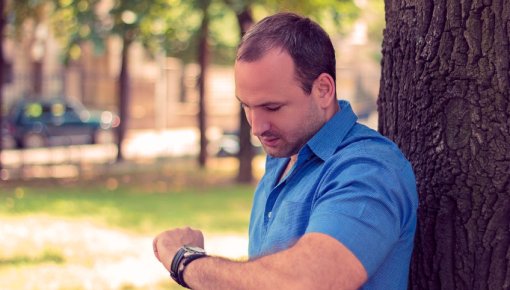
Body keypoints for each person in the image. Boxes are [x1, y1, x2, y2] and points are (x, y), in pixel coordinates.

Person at [153, 12, 418, 290]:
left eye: (272, 107)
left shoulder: (369, 169)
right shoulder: (280, 160)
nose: (257, 127)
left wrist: (186, 262)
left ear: (323, 90)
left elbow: (307, 282)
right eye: (246, 106)